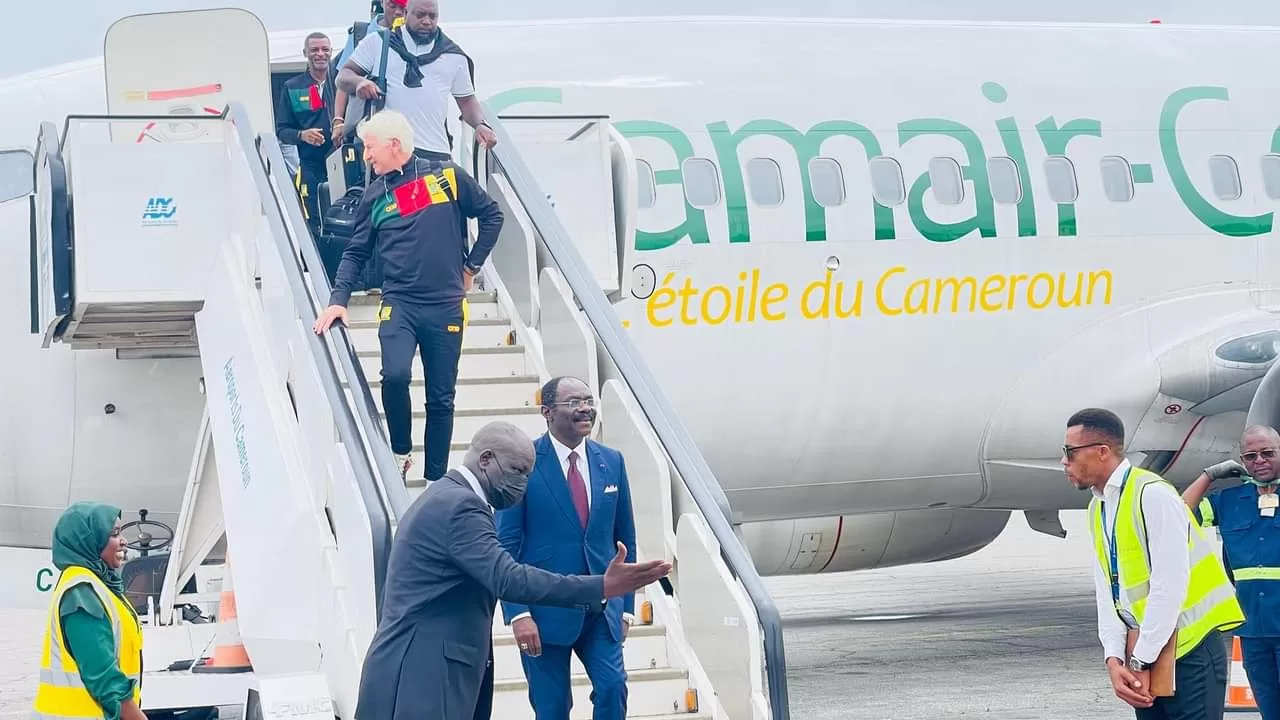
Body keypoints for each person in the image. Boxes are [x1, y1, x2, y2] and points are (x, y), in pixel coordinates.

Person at [352, 421, 672, 720]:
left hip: (425, 670)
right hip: (422, 675)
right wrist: (600, 586)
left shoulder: (447, 497)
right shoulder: (461, 507)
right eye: (518, 471)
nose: (522, 484)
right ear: (486, 459)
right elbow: (509, 577)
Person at [312, 109, 503, 484]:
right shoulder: (373, 196)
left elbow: (492, 216)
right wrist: (338, 300)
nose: (366, 155)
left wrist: (471, 267)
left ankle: (436, 480)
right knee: (395, 375)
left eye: (370, 147)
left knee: (441, 397)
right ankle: (401, 452)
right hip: (399, 303)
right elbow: (355, 253)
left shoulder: (446, 176)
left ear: (394, 144)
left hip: (445, 305)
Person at [1063, 407, 1243, 719]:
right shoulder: (1098, 507)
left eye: (1070, 451)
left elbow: (1168, 587)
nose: (1064, 461)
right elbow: (1107, 591)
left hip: (1189, 653)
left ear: (1102, 451)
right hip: (1146, 653)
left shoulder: (1153, 495)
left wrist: (1139, 659)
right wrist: (1114, 658)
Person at [497, 376, 636, 720]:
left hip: (602, 608)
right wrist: (518, 614)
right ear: (546, 412)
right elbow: (505, 546)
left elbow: (625, 539)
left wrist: (626, 608)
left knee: (613, 687)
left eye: (588, 400)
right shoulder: (522, 463)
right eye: (574, 402)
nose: (585, 408)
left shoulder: (612, 461)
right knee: (552, 708)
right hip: (544, 611)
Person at [1182, 424, 1280, 718]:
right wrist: (1208, 476)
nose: (1259, 460)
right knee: (1270, 709)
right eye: (1251, 456)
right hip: (1253, 630)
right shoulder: (1229, 501)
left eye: (1267, 453)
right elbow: (1179, 515)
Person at [335, 0, 497, 161]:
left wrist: (480, 124)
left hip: (435, 154)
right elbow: (343, 75)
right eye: (420, 15)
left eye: (432, 16)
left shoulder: (453, 55)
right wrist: (359, 82)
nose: (426, 21)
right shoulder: (377, 43)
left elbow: (466, 101)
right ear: (405, 14)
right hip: (388, 152)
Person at [33, 502, 146, 720]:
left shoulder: (100, 586)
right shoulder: (81, 592)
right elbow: (103, 677)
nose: (124, 541)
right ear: (89, 540)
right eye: (114, 534)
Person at [275, 32, 335, 239]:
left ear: (331, 52)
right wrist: (302, 135)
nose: (320, 54)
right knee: (314, 222)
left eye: (325, 49)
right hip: (310, 167)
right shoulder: (293, 87)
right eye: (314, 50)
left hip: (342, 163)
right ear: (305, 53)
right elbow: (282, 131)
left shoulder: (341, 83)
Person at [331, 0, 407, 144]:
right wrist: (338, 121)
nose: (398, 12)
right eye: (392, 6)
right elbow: (343, 79)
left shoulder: (419, 34)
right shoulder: (362, 33)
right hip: (367, 125)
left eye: (403, 7)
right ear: (382, 2)